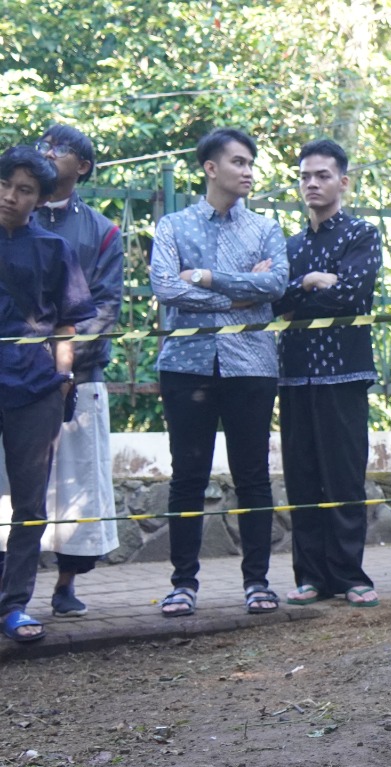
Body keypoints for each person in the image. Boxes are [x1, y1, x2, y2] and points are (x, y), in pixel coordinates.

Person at [149, 128, 287, 618]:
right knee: (187, 474)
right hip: (186, 365)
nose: (248, 171)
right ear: (211, 168)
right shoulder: (173, 225)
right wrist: (239, 298)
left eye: (251, 163)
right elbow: (165, 287)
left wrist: (206, 280)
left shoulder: (266, 228)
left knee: (253, 475)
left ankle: (258, 583)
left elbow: (276, 283)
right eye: (238, 162)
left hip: (251, 364)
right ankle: (182, 585)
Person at [16, 125, 122, 618]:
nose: (46, 154)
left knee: (77, 484)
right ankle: (12, 594)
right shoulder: (14, 216)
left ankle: (65, 586)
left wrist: (57, 360)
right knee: (13, 489)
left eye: (58, 151)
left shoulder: (102, 230)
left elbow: (103, 307)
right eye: (42, 147)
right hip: (11, 383)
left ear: (82, 166)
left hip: (74, 377)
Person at [274, 139, 381, 608]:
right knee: (302, 478)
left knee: (343, 478)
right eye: (304, 176)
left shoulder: (361, 234)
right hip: (295, 376)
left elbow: (352, 296)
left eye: (321, 175)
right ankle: (310, 577)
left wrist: (305, 291)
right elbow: (275, 300)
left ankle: (350, 575)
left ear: (343, 181)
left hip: (345, 374)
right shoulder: (290, 245)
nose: (312, 183)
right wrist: (310, 282)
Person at [0, 146, 92, 643]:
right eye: (5, 185)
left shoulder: (54, 249)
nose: (11, 197)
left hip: (34, 386)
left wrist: (61, 380)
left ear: (39, 199)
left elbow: (67, 321)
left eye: (24, 190)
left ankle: (14, 607)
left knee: (29, 503)